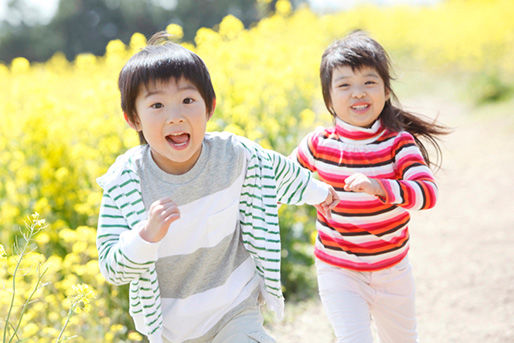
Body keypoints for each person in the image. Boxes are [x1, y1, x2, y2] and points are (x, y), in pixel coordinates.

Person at [95, 31, 339, 343]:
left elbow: (276, 171)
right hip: (171, 329)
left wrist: (319, 193)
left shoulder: (232, 154)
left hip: (234, 308)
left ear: (209, 107)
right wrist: (145, 237)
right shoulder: (125, 182)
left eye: (187, 100)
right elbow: (111, 266)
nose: (175, 116)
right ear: (133, 119)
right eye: (157, 105)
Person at [291, 30, 448, 343]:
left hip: (392, 271)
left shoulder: (398, 144)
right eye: (345, 85)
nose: (358, 93)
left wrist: (381, 187)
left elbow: (427, 194)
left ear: (386, 91)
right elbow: (284, 179)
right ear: (329, 98)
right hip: (339, 270)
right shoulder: (318, 144)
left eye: (369, 82)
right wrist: (314, 193)